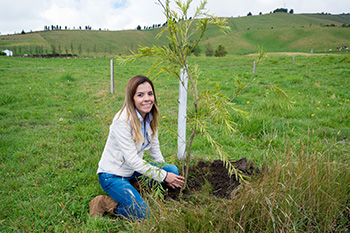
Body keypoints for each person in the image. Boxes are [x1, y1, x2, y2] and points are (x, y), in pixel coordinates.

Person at [90, 75, 185, 220]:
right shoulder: (121, 122)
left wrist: (164, 173)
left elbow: (155, 150)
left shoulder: (149, 116)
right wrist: (164, 176)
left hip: (132, 171)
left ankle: (133, 187)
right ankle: (104, 203)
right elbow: (133, 160)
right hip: (113, 175)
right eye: (140, 95)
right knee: (143, 214)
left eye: (150, 94)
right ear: (131, 98)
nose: (147, 99)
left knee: (172, 170)